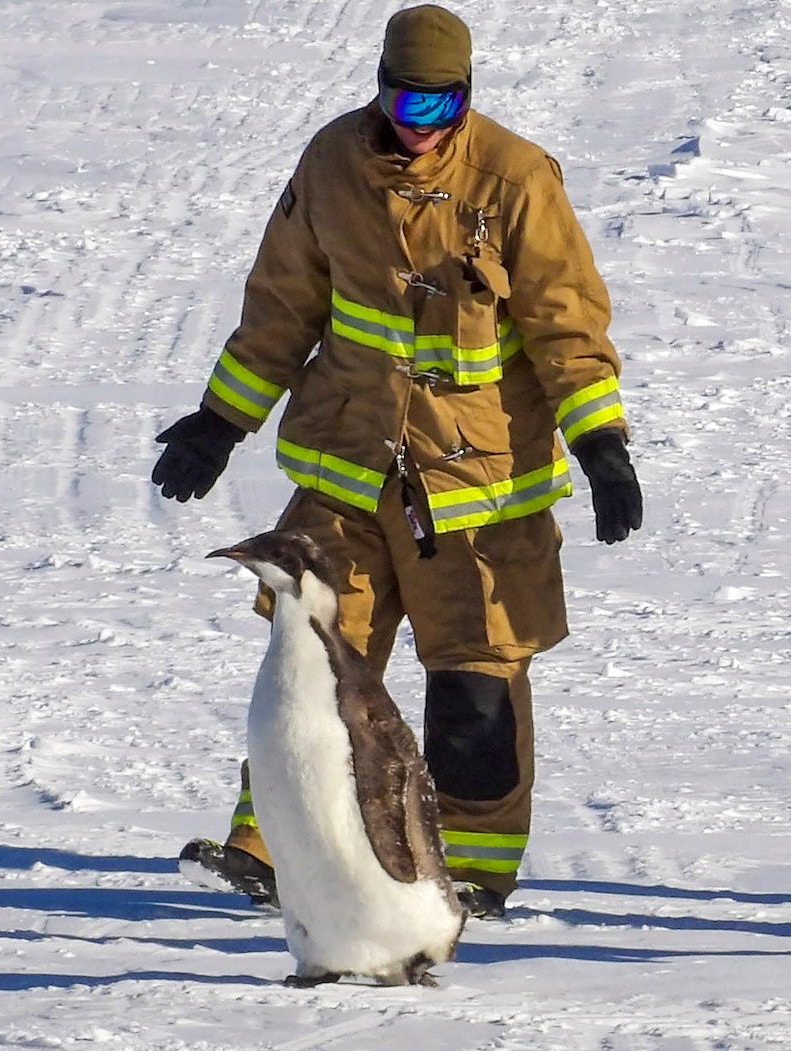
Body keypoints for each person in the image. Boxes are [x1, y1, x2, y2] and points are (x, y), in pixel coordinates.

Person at [152, 4, 642, 918]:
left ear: (467, 97)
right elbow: (283, 305)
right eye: (404, 104)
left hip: (477, 489)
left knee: (474, 692)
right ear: (379, 90)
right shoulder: (332, 162)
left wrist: (603, 444)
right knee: (314, 663)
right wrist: (221, 421)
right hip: (348, 465)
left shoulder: (517, 178)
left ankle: (470, 870)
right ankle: (270, 848)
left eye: (440, 108)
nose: (420, 128)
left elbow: (567, 322)